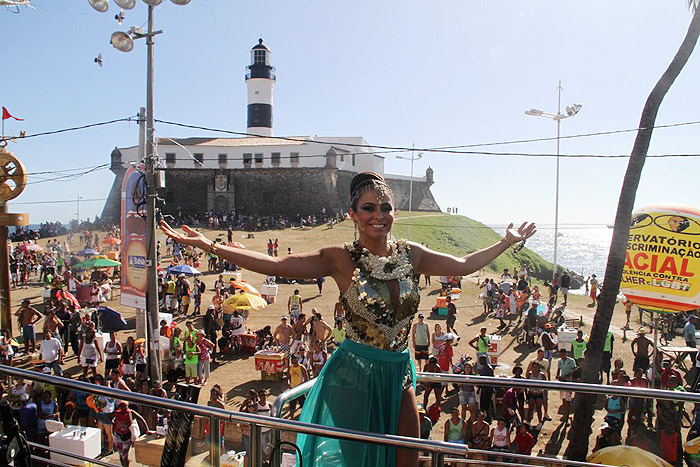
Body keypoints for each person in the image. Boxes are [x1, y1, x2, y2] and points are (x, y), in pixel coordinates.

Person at [160, 171, 535, 466]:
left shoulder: (412, 254)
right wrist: (209, 245)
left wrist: (505, 242)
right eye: (369, 208)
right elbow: (275, 264)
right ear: (353, 215)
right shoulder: (340, 257)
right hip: (354, 374)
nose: (379, 216)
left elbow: (464, 264)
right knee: (357, 458)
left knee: (407, 451)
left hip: (399, 371)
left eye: (385, 207)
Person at [556, 348, 577, 424]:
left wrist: (567, 376)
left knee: (568, 400)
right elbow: (558, 370)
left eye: (563, 354)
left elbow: (574, 370)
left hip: (569, 382)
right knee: (564, 400)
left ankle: (567, 416)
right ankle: (566, 413)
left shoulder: (571, 361)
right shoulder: (560, 362)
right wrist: (558, 376)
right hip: (562, 382)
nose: (562, 356)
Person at [287, 354, 309, 419]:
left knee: (303, 405)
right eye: (292, 359)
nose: (293, 360)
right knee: (292, 405)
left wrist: (301, 386)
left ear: (297, 359)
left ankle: (305, 418)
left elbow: (306, 378)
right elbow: (288, 377)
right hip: (293, 389)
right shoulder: (290, 368)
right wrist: (289, 385)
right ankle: (291, 419)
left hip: (300, 390)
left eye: (294, 358)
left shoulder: (301, 367)